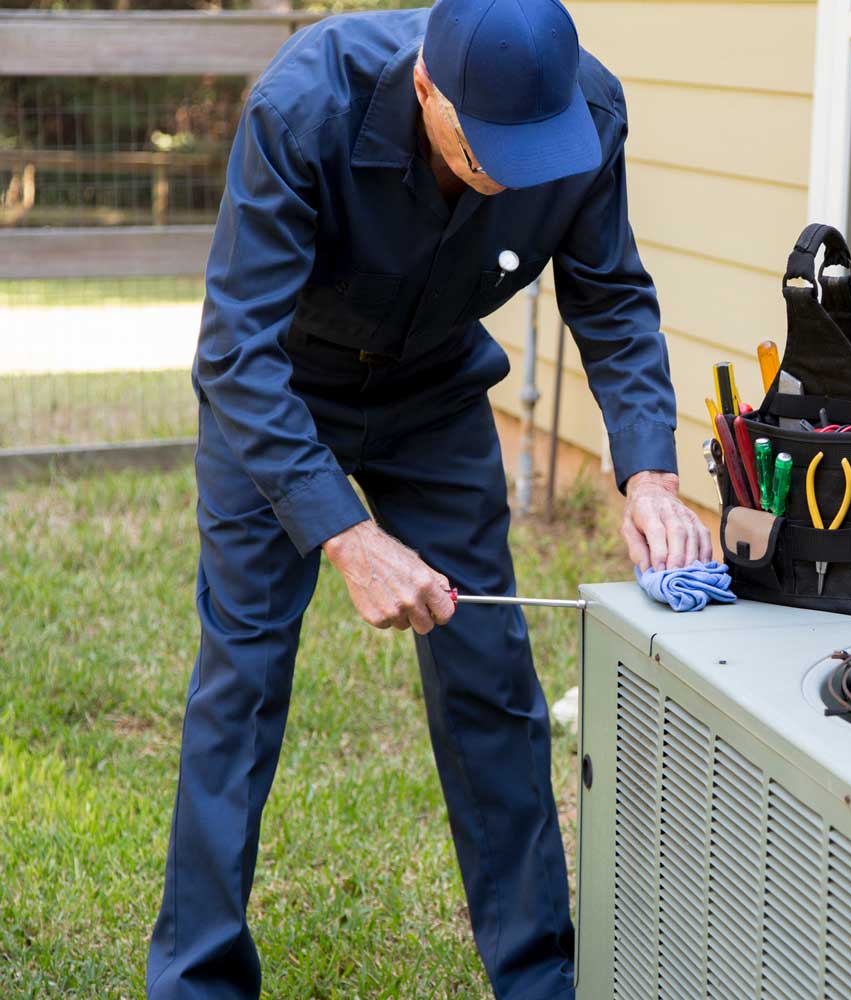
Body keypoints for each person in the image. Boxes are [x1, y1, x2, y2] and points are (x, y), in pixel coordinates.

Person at [145, 0, 710, 996]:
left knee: (490, 678)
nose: (505, 173)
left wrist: (649, 474)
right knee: (242, 685)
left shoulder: (587, 117)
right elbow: (236, 352)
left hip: (436, 391)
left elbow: (610, 295)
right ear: (424, 87)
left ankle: (537, 978)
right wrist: (348, 536)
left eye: (528, 149)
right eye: (484, 147)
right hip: (282, 389)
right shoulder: (303, 104)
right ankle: (196, 981)